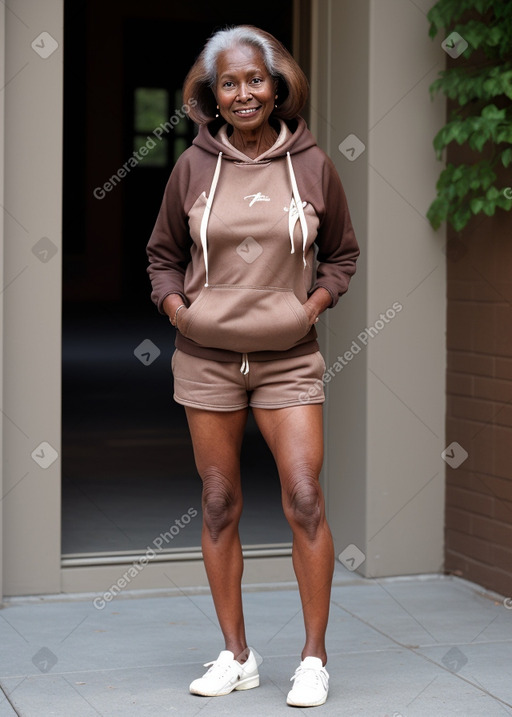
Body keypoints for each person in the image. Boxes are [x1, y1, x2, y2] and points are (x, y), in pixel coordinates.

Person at [146, 24, 359, 708]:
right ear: (212, 93)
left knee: (303, 496)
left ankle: (314, 657)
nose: (244, 93)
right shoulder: (192, 165)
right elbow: (162, 255)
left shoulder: (315, 164)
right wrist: (179, 309)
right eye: (229, 83)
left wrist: (312, 306)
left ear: (279, 85)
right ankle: (236, 654)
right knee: (216, 502)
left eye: (256, 80)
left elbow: (343, 255)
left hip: (289, 359)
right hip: (207, 359)